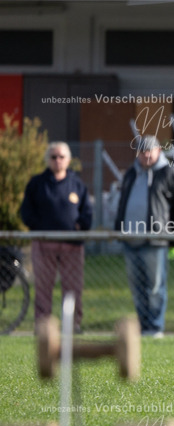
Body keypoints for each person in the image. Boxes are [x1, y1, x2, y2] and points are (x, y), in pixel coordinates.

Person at [114, 135, 174, 337]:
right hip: (131, 240)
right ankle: (143, 325)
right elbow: (123, 202)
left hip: (155, 240)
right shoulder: (131, 173)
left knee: (155, 288)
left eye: (150, 151)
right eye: (142, 151)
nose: (146, 155)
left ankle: (155, 327)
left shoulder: (170, 173)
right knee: (137, 287)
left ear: (158, 152)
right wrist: (118, 229)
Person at [19, 141, 92, 332]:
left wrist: (80, 226)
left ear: (68, 160)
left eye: (61, 157)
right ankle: (43, 327)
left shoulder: (77, 184)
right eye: (53, 157)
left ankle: (73, 325)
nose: (57, 160)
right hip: (44, 244)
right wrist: (40, 227)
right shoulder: (37, 183)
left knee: (73, 287)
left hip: (72, 245)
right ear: (48, 160)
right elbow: (26, 211)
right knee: (43, 288)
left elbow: (87, 212)